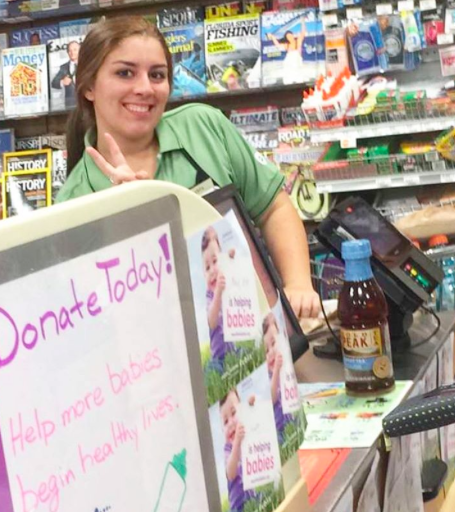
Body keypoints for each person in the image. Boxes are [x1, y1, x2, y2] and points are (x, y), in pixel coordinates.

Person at [56, 16, 320, 319]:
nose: (144, 88)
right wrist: (132, 221)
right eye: (125, 73)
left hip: (257, 334)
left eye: (157, 75)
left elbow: (273, 207)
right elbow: (95, 316)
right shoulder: (73, 201)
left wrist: (298, 284)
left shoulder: (204, 127)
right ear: (88, 86)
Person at [202, 226, 237, 371]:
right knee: (211, 370)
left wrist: (230, 258)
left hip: (233, 352)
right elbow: (212, 321)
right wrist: (217, 293)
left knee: (244, 353)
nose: (212, 271)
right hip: (218, 359)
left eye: (215, 261)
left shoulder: (226, 285)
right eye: (207, 267)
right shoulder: (210, 295)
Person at [220, 388, 257, 511]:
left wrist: (250, 406)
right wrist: (236, 443)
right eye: (225, 422)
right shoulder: (228, 449)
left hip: (254, 501)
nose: (230, 423)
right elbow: (230, 473)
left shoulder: (246, 436)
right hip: (239, 507)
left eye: (234, 412)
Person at [263, 312, 293, 443]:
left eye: (273, 343)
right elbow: (272, 397)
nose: (271, 353)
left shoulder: (286, 368)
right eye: (265, 351)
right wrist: (275, 371)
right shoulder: (269, 377)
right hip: (278, 432)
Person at [51, 40, 81, 108]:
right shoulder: (64, 67)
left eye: (75, 50)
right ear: (67, 53)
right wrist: (62, 82)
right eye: (70, 51)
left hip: (85, 103)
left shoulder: (86, 65)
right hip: (70, 105)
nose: (72, 52)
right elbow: (54, 83)